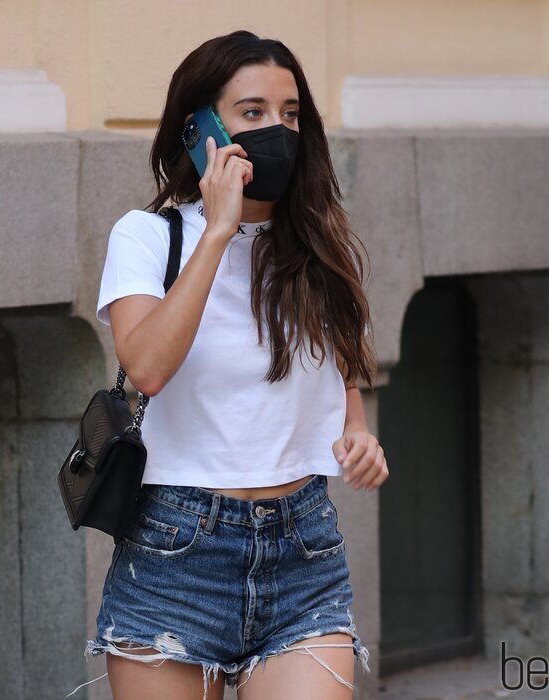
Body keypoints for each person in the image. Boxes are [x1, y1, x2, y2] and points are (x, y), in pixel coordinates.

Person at [79, 30, 388, 700]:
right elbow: (150, 367)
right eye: (253, 113)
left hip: (304, 549)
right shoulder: (146, 236)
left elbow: (344, 387)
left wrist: (359, 437)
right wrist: (217, 233)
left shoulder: (319, 247)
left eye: (291, 113)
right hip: (175, 551)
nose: (278, 129)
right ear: (200, 131)